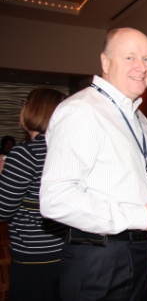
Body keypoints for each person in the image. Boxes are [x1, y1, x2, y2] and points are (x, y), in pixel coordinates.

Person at [40, 27, 147, 301]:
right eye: (130, 57)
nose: (141, 67)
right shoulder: (81, 111)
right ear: (105, 62)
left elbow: (141, 193)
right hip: (98, 259)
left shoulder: (140, 121)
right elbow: (56, 199)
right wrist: (139, 217)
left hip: (134, 253)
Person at [0, 88, 67, 300]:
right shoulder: (66, 151)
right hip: (66, 250)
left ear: (35, 110)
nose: (21, 108)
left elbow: (2, 210)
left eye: (24, 103)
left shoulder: (24, 153)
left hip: (33, 255)